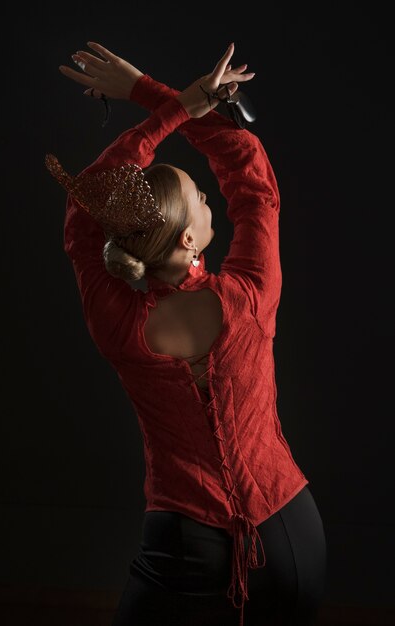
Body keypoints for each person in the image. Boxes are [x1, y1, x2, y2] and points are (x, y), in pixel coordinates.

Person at [46, 42, 327, 626]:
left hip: (184, 540)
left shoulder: (117, 325)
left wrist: (171, 112)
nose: (208, 197)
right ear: (188, 241)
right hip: (291, 531)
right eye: (199, 198)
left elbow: (82, 215)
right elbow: (253, 184)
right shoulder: (251, 295)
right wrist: (161, 93)